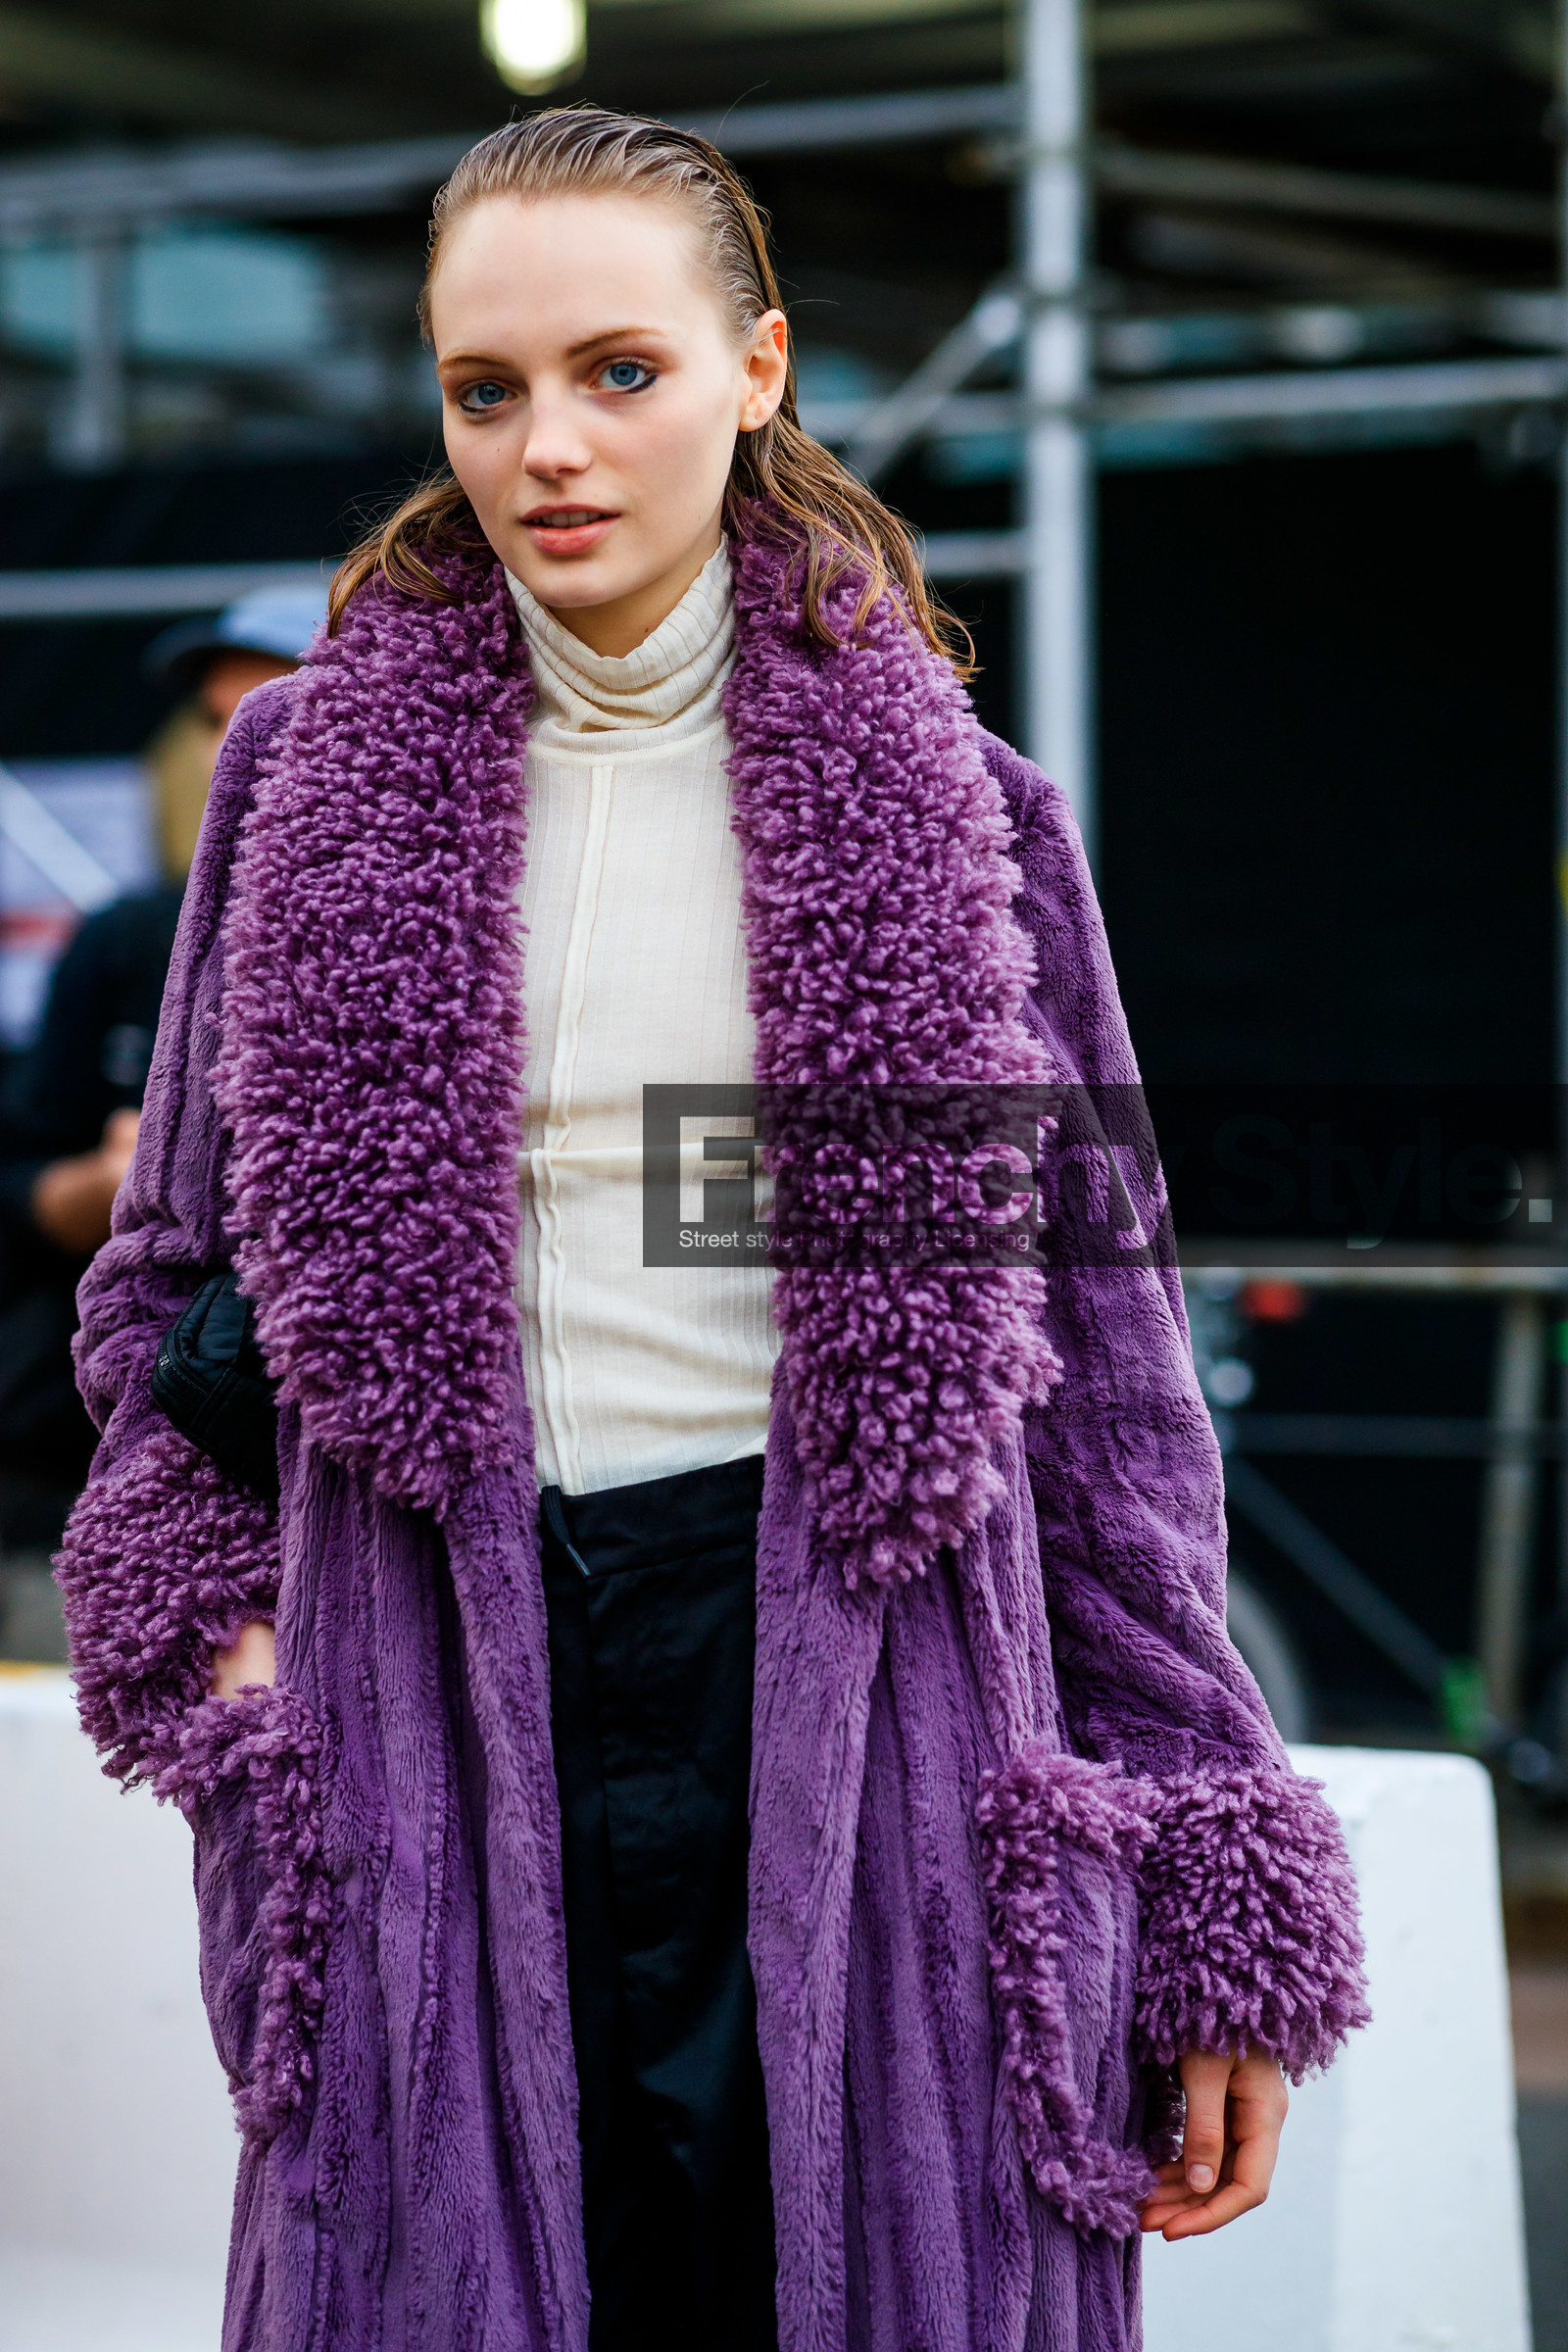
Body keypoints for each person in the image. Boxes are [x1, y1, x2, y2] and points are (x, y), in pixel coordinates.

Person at [55, 110, 1367, 2352]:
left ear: (756, 367)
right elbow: (163, 1289)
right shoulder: (301, 788)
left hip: (864, 1696)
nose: (546, 445)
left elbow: (1111, 1414)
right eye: (487, 390)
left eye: (617, 370)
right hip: (434, 1694)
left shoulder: (961, 820)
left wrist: (1204, 1889)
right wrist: (228, 1647)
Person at [0, 585, 324, 1509]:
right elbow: (21, 1173)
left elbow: (721, 1232)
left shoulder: (474, 918)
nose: (239, 748)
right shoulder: (132, 939)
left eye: (279, 710)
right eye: (219, 718)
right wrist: (95, 1197)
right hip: (120, 1455)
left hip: (404, 1458)